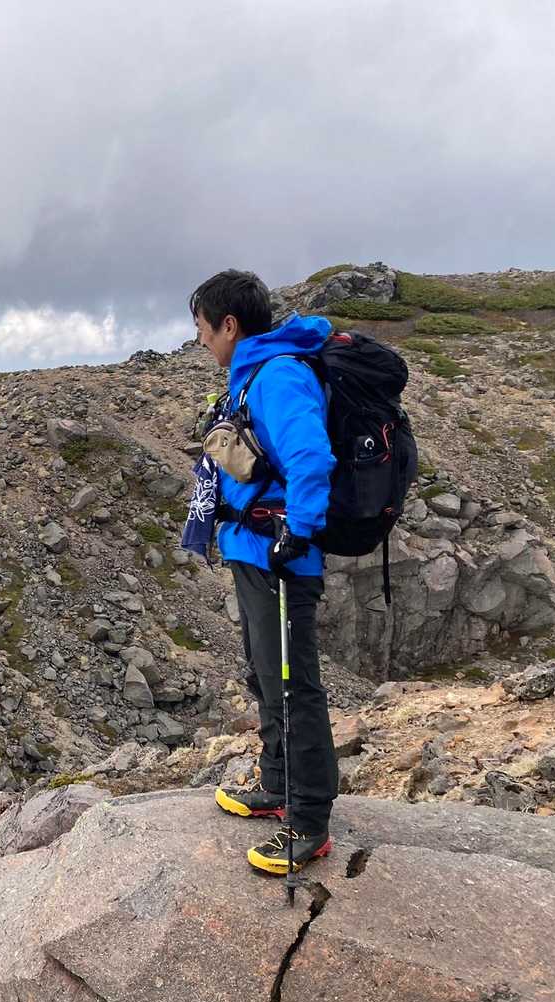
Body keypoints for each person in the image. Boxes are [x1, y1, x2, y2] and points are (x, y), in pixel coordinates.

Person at [189, 269, 339, 875]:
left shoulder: (277, 375)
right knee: (265, 674)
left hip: (280, 557)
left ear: (229, 325)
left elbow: (311, 457)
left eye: (202, 327)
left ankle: (309, 822)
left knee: (293, 685)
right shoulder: (253, 375)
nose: (200, 339)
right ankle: (277, 784)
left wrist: (297, 533)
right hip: (253, 552)